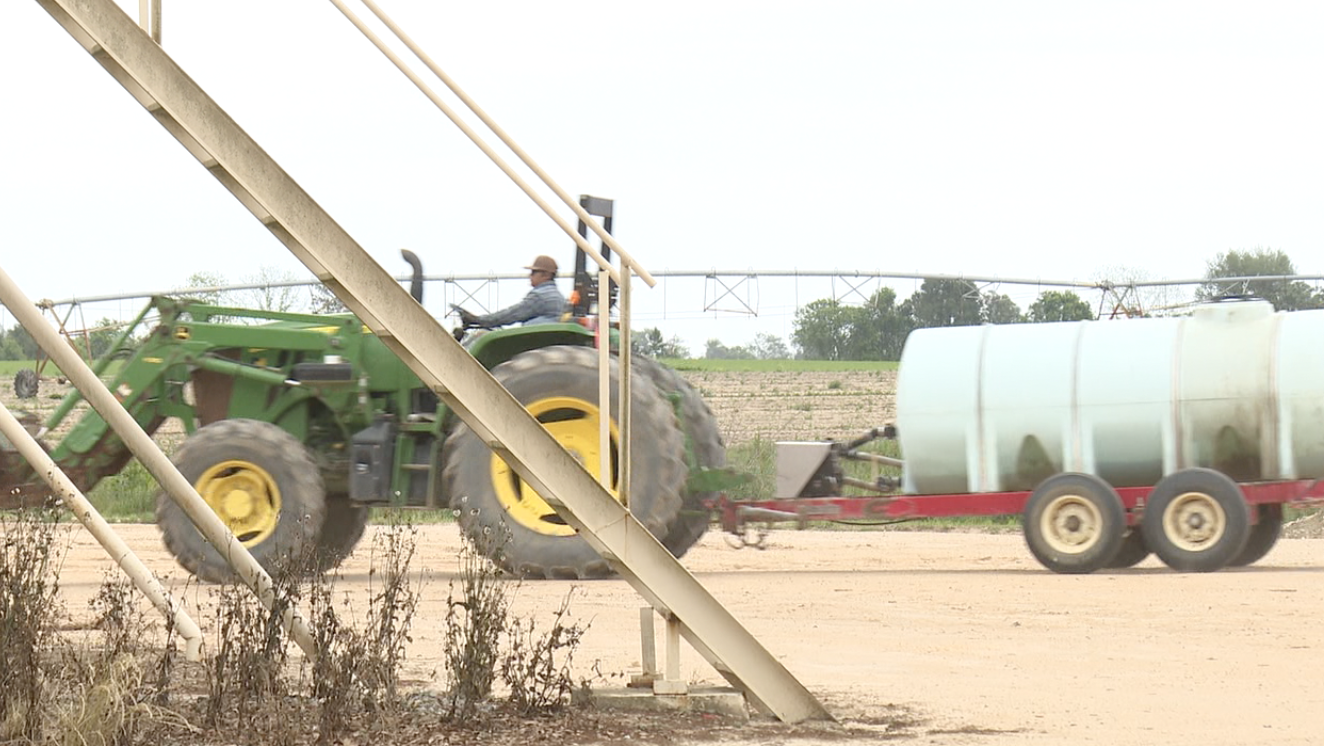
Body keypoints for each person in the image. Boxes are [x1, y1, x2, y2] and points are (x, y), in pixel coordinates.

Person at [453, 255, 568, 329]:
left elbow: (511, 314)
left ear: (546, 275)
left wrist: (479, 320)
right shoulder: (559, 296)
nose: (530, 276)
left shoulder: (540, 296)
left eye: (533, 272)